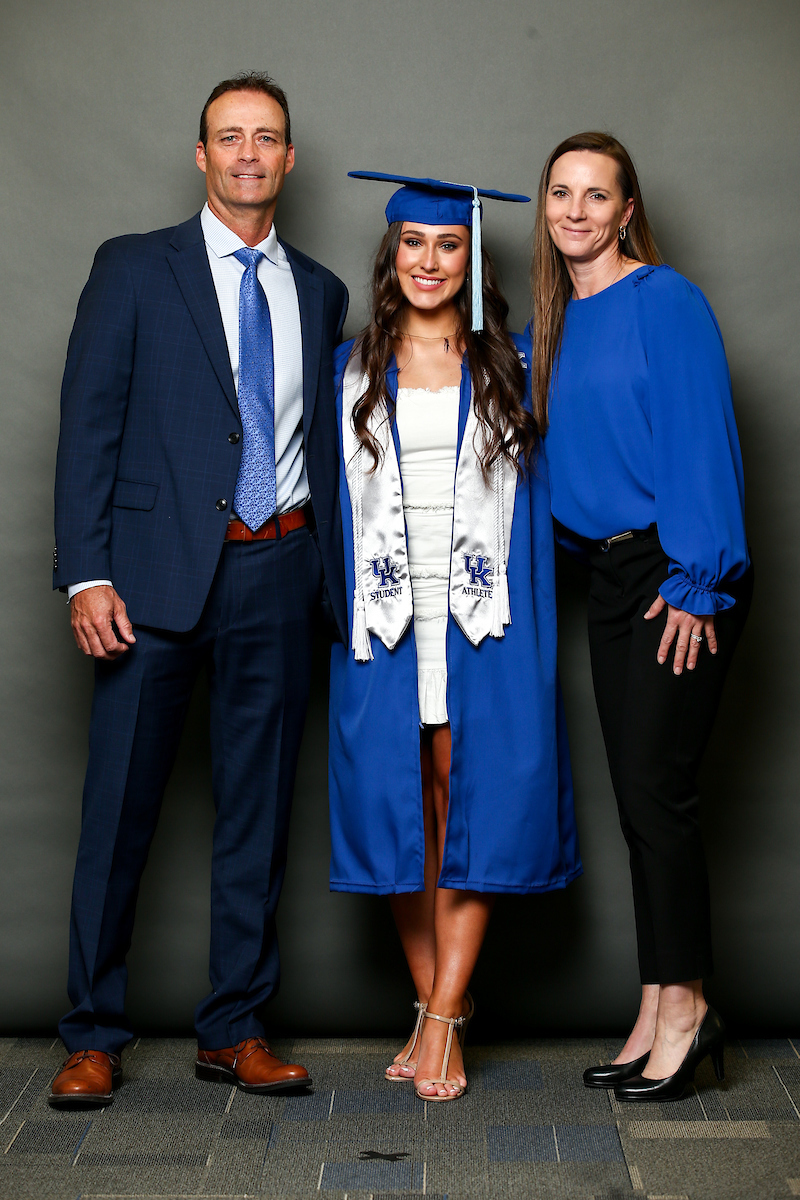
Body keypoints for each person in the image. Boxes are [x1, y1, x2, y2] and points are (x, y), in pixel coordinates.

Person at [49, 72, 348, 1106]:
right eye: (230, 137)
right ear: (202, 154)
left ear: (289, 158)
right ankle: (92, 1033)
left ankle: (234, 1028)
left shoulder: (320, 291)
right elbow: (88, 423)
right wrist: (87, 571)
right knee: (118, 813)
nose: (248, 154)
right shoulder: (135, 267)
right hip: (150, 580)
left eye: (266, 138)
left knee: (257, 815)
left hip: (280, 570)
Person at [328, 171, 582, 1103]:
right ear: (392, 255)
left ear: (471, 261)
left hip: (485, 610)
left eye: (448, 246)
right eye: (413, 244)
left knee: (464, 792)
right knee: (402, 804)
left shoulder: (514, 362)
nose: (429, 261)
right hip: (384, 611)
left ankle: (440, 1019)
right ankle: (437, 1006)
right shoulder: (349, 367)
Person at [530, 132, 752, 1102]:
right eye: (560, 193)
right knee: (635, 801)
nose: (574, 211)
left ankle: (689, 1010)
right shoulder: (550, 327)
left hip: (678, 569)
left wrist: (698, 579)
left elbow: (701, 439)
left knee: (659, 795)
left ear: (626, 211)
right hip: (612, 578)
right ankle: (656, 1002)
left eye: (595, 195)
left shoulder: (665, 300)